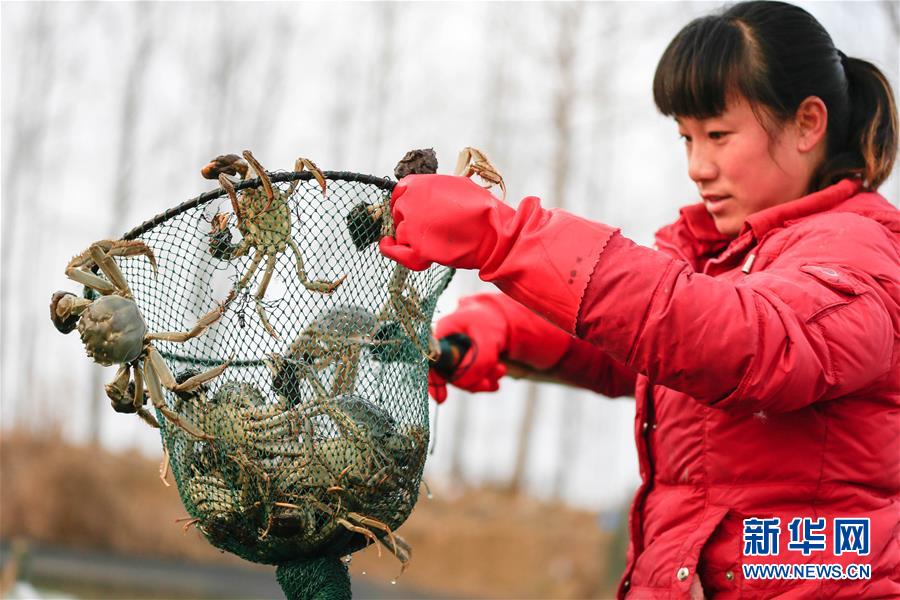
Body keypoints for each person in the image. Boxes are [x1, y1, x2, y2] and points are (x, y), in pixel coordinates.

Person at [378, 1, 899, 598]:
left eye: (719, 135)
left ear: (808, 124)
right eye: (686, 138)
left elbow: (742, 343)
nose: (698, 168)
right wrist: (506, 329)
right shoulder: (724, 258)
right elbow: (649, 350)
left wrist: (506, 238)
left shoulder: (859, 253)